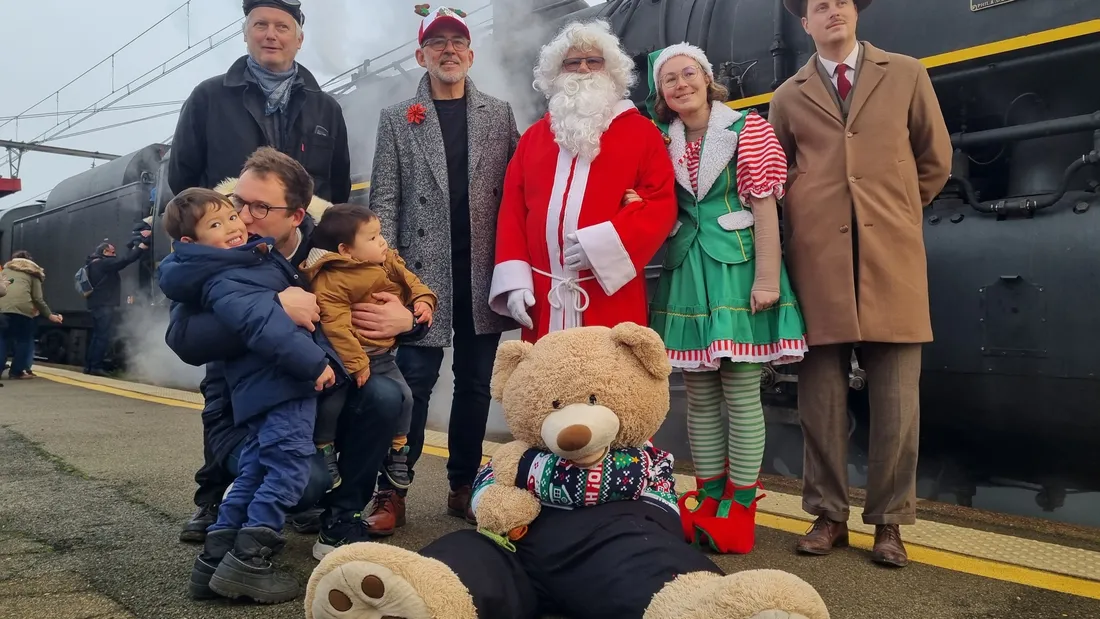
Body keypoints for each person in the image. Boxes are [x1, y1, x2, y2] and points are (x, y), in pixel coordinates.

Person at [165, 147, 422, 567]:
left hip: (319, 396)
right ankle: (229, 498)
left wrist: (408, 320)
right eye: (238, 202)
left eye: (260, 207)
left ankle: (344, 518)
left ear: (297, 216)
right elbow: (183, 338)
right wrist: (274, 307)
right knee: (305, 482)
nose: (241, 217)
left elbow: (397, 276)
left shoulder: (331, 249)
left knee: (386, 395)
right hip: (247, 413)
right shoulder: (216, 253)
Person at [768, 0, 952, 567]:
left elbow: (935, 158)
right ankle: (828, 515)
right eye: (820, 6)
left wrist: (899, 213)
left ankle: (890, 523)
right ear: (805, 23)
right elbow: (777, 175)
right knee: (819, 398)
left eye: (842, 2)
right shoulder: (788, 95)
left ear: (855, 13)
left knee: (897, 400)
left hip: (891, 256)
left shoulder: (907, 74)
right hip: (817, 261)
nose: (833, 12)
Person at [644, 43, 808, 555]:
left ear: (706, 77)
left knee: (740, 393)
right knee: (698, 395)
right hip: (686, 271)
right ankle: (710, 495)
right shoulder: (660, 139)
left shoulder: (747, 129)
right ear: (661, 92)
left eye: (688, 73)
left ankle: (741, 505)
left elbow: (765, 209)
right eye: (669, 79)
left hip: (737, 270)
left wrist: (768, 280)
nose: (681, 84)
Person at [365, 4, 521, 534]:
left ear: (471, 55)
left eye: (457, 42)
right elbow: (385, 202)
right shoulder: (397, 118)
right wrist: (388, 279)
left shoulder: (499, 113)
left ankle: (463, 486)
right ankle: (393, 489)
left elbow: (518, 191)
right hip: (419, 274)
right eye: (437, 42)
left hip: (481, 271)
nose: (448, 50)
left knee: (475, 385)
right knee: (413, 382)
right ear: (421, 55)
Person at [158, 186, 343, 603]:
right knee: (288, 469)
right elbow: (263, 325)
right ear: (191, 241)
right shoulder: (230, 273)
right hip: (281, 384)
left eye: (231, 216)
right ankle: (249, 561)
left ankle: (213, 560)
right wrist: (313, 364)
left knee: (255, 471)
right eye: (217, 223)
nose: (234, 225)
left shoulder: (228, 264)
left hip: (262, 388)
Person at [489, 20, 677, 341]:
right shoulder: (533, 138)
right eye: (572, 62)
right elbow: (513, 211)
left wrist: (602, 246)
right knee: (547, 373)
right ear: (557, 73)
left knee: (608, 372)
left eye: (594, 61)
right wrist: (515, 279)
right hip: (545, 297)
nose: (583, 69)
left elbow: (660, 202)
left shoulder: (641, 133)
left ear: (611, 69)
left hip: (609, 294)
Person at [300, 202, 437, 493]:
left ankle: (396, 450)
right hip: (345, 359)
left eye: (380, 234)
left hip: (382, 356)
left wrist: (424, 300)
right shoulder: (331, 280)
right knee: (332, 404)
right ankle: (324, 448)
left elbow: (412, 281)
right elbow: (336, 327)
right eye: (373, 238)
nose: (383, 241)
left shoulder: (385, 260)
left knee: (405, 398)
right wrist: (358, 363)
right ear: (346, 251)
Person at [168, 0, 351, 204]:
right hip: (234, 223)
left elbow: (339, 187)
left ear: (299, 40)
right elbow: (182, 182)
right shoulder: (206, 98)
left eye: (282, 27)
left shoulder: (327, 110)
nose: (271, 35)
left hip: (305, 225)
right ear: (245, 34)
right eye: (261, 25)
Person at [83, 237, 148, 376]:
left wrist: (132, 248)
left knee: (97, 336)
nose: (114, 255)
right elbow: (124, 260)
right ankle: (96, 366)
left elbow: (122, 259)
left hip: (96, 304)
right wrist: (140, 248)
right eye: (112, 252)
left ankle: (89, 366)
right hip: (104, 304)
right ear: (105, 252)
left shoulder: (93, 263)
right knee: (103, 336)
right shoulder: (104, 263)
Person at [0, 251, 63, 379]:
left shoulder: (4, 271)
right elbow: (37, 299)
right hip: (22, 311)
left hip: (2, 309)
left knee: (3, 340)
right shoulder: (33, 273)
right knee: (24, 340)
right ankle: (16, 372)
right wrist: (50, 315)